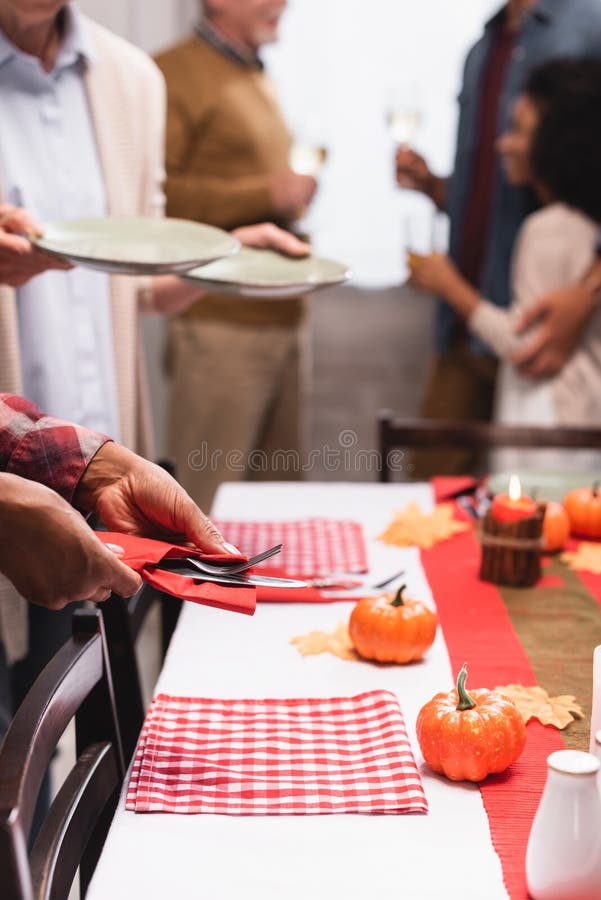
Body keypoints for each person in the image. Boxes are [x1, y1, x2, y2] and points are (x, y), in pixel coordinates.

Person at [0, 0, 308, 780]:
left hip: (77, 462)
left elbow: (135, 280)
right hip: (14, 478)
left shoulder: (130, 79)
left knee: (77, 747)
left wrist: (229, 254)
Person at [395, 0, 601, 475]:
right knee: (433, 496)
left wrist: (590, 289)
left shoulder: (589, 27)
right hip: (467, 328)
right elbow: (494, 194)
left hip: (547, 336)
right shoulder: (482, 49)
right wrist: (435, 188)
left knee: (539, 497)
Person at [155, 0, 318, 509]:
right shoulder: (172, 72)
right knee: (204, 509)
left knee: (274, 513)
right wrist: (266, 193)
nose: (283, 4)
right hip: (220, 324)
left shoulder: (252, 73)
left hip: (279, 319)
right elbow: (158, 195)